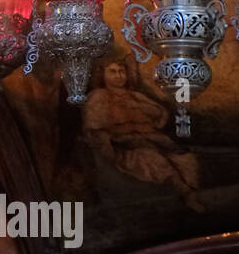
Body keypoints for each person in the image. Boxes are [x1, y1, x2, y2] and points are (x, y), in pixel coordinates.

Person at [82, 60, 203, 211]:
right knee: (156, 161)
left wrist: (139, 107)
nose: (119, 76)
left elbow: (160, 115)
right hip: (126, 148)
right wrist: (110, 150)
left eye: (121, 71)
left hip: (154, 141)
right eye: (112, 72)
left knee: (186, 160)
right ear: (103, 75)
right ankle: (186, 196)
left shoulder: (135, 96)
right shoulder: (99, 97)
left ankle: (191, 195)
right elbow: (96, 129)